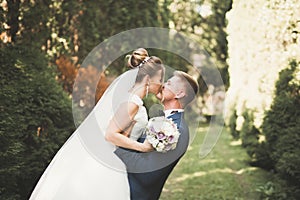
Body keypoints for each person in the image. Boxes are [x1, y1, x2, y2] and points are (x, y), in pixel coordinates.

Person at [29, 48, 165, 200]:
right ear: (148, 78)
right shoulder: (132, 103)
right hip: (109, 163)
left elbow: (124, 132)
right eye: (160, 79)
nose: (162, 83)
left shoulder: (133, 100)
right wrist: (143, 147)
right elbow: (111, 134)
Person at [115, 70, 199, 200]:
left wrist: (115, 148)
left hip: (134, 194)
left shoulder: (177, 130)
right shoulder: (162, 119)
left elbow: (147, 174)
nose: (163, 85)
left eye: (169, 83)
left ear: (180, 93)